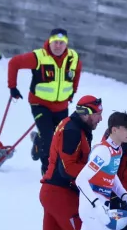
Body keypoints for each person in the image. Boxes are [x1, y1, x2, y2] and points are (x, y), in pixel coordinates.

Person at [25, 95, 110, 230]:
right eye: (98, 114)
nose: (101, 119)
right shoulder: (72, 130)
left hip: (54, 193)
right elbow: (68, 168)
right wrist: (98, 176)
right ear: (86, 113)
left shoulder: (77, 127)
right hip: (60, 194)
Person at [6, 28, 81, 174]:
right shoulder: (39, 57)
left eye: (61, 43)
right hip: (40, 104)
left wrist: (73, 92)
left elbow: (76, 73)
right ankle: (47, 172)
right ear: (49, 42)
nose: (58, 46)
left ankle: (37, 140)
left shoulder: (73, 58)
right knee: (49, 138)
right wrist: (12, 87)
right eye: (55, 42)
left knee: (60, 139)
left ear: (66, 44)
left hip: (61, 106)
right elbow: (14, 63)